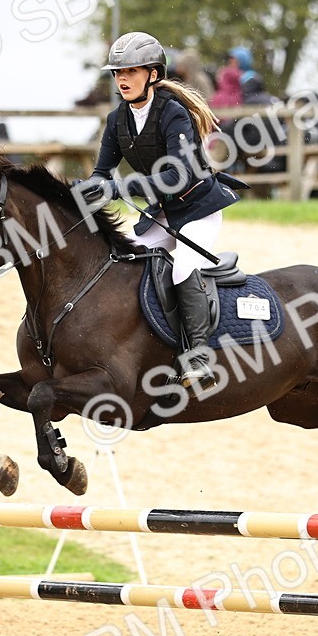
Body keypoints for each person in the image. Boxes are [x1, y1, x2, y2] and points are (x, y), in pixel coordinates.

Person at [80, 31, 244, 391]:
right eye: (117, 73)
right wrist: (82, 192)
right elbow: (101, 173)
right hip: (163, 213)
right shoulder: (117, 120)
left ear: (153, 74)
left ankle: (199, 356)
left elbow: (179, 174)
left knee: (184, 266)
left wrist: (122, 188)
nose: (122, 79)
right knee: (124, 258)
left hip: (198, 208)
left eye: (132, 71)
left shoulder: (173, 113)